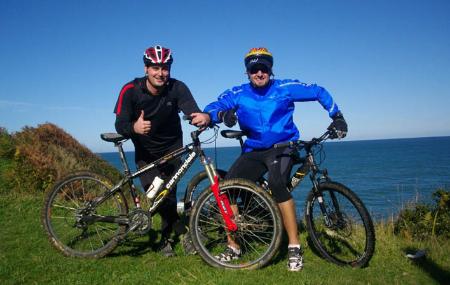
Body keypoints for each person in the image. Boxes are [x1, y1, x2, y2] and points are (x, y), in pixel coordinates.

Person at [203, 47, 347, 271]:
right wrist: (222, 115)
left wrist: (336, 115)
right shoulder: (238, 92)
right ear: (247, 73)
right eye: (254, 70)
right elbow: (212, 107)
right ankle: (234, 246)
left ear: (270, 70)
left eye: (263, 69)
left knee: (278, 185)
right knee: (228, 188)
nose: (259, 73)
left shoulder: (284, 88)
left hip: (282, 147)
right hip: (253, 150)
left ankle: (294, 246)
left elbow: (318, 91)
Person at [114, 45, 210, 256]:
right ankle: (184, 233)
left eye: (165, 68)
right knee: (157, 194)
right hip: (146, 153)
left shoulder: (177, 87)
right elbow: (119, 123)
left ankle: (165, 239)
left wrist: (202, 117)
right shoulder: (130, 90)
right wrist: (134, 128)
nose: (160, 73)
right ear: (146, 68)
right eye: (155, 67)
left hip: (173, 149)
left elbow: (192, 110)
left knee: (169, 194)